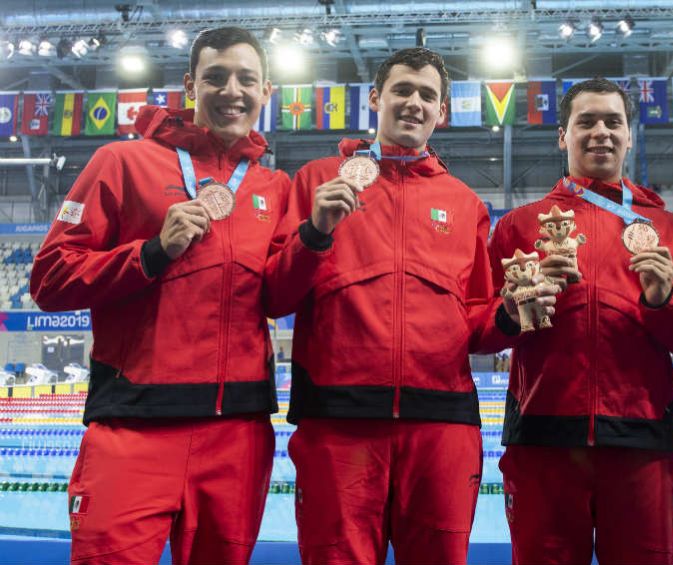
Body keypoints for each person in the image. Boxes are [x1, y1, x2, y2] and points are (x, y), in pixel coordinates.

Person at [30, 27, 287, 564]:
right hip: (134, 426)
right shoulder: (122, 164)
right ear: (191, 86)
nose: (231, 91)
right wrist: (149, 253)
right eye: (215, 77)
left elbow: (283, 293)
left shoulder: (275, 189)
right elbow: (49, 278)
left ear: (268, 91)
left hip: (238, 434)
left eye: (247, 79)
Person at [265, 47, 493, 565]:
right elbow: (276, 298)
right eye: (403, 90)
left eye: (427, 95)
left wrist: (510, 316)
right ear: (376, 98)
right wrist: (313, 233)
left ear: (443, 111)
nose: (414, 103)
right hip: (338, 425)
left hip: (441, 427)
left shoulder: (465, 204)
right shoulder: (319, 180)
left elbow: (478, 320)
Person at [479, 78, 673, 564]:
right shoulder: (519, 225)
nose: (601, 132)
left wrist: (662, 299)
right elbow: (476, 329)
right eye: (586, 122)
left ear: (630, 135)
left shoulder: (666, 229)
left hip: (643, 440)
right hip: (543, 438)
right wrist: (511, 310)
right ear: (562, 135)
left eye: (614, 122)